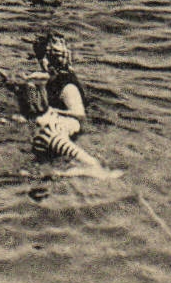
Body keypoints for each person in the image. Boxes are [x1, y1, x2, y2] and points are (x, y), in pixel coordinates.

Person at [18, 32, 116, 176]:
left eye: (41, 58)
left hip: (66, 129)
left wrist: (51, 111)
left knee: (46, 136)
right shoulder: (53, 79)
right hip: (61, 129)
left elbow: (79, 115)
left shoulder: (66, 84)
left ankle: (94, 168)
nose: (41, 64)